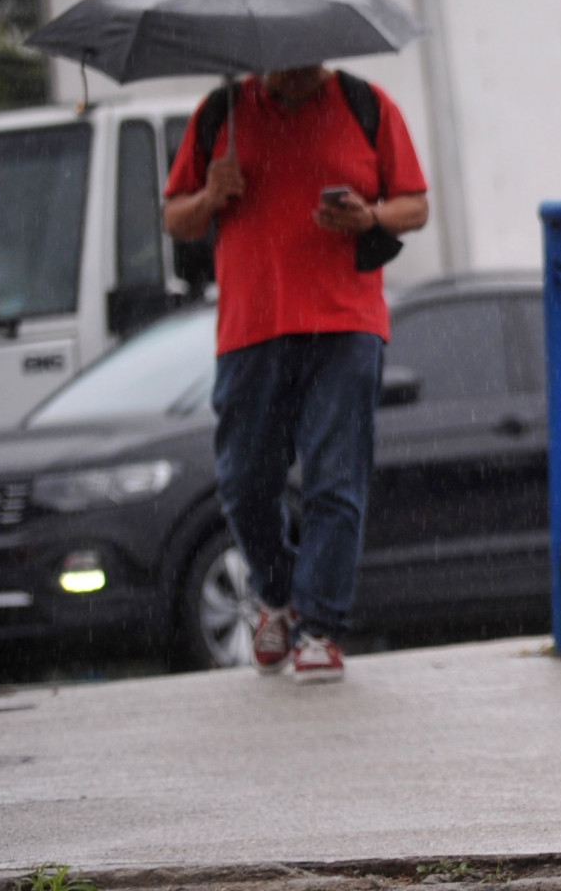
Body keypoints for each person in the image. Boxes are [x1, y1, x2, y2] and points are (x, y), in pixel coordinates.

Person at [164, 63, 428, 684]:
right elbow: (178, 218)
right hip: (250, 330)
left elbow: (414, 206)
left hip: (346, 324)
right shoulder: (219, 114)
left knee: (336, 481)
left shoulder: (367, 104)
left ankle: (318, 627)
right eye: (284, 59)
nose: (298, 69)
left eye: (310, 57)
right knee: (245, 482)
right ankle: (276, 597)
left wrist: (370, 218)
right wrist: (210, 196)